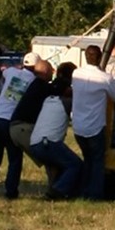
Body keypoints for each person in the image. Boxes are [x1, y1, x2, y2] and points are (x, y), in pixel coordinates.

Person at [69, 44, 115, 200]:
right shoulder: (104, 78)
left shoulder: (76, 73)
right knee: (97, 162)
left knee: (87, 160)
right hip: (95, 126)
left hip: (78, 125)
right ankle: (95, 194)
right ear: (100, 57)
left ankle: (84, 190)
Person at [0, 51, 37, 199]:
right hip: (9, 121)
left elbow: (4, 73)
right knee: (14, 158)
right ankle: (11, 191)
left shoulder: (11, 71)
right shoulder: (33, 80)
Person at [30, 63, 82, 200]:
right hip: (49, 143)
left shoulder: (48, 100)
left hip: (35, 142)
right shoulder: (67, 103)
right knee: (75, 165)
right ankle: (57, 191)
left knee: (60, 166)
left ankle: (59, 190)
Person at [9, 59, 54, 159]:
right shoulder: (36, 82)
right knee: (51, 158)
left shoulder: (15, 73)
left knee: (10, 160)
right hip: (22, 126)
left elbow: (11, 97)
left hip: (6, 120)